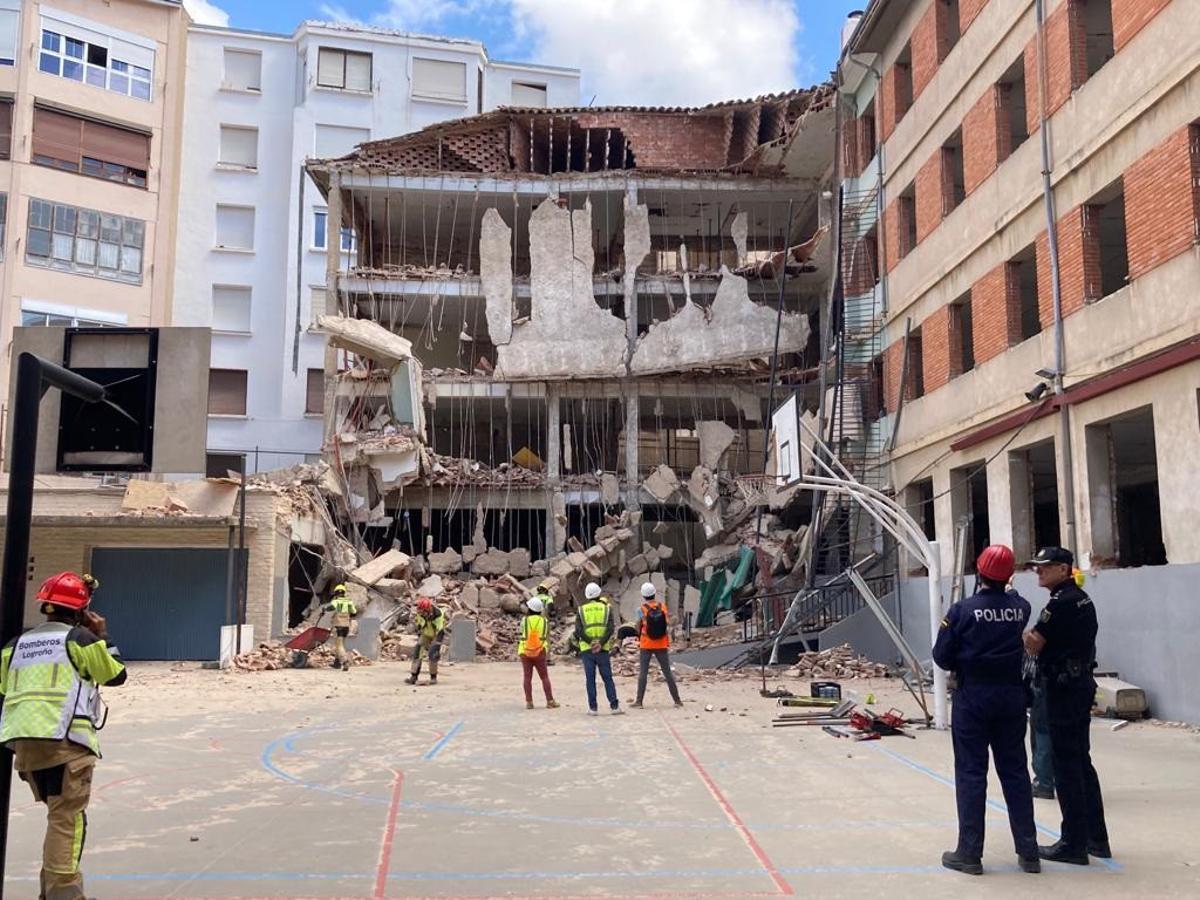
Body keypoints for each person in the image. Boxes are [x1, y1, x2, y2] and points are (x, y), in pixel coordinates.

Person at [0, 571, 127, 900]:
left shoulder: (15, 645)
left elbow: (5, 689)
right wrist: (103, 636)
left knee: (57, 815)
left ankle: (50, 891)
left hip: (25, 746)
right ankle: (64, 895)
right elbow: (115, 675)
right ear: (81, 611)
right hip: (65, 744)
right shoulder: (80, 640)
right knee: (67, 820)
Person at [933, 545, 1040, 876]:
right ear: (1008, 575)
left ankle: (969, 852)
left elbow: (941, 656)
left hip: (974, 696)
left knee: (971, 773)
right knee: (1016, 773)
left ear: (978, 572)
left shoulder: (962, 611)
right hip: (1011, 695)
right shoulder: (1020, 607)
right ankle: (1029, 851)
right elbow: (1016, 606)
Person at [1023, 547, 1111, 865]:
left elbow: (1036, 643)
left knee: (1067, 767)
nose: (1038, 572)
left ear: (1063, 569)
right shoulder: (1080, 598)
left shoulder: (1061, 602)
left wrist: (1023, 637)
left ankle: (1073, 843)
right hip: (1078, 682)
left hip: (1064, 687)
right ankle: (1096, 839)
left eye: (1044, 568)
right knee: (1081, 763)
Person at [632, 582, 683, 710]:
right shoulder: (663, 607)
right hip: (661, 643)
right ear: (654, 593)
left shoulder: (641, 609)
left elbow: (637, 626)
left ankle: (639, 701)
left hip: (646, 644)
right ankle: (677, 700)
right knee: (667, 672)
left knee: (643, 673)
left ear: (643, 595)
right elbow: (668, 623)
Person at [574, 582, 622, 716]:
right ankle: (614, 706)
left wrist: (591, 642)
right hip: (603, 649)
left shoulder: (581, 610)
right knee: (607, 678)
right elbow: (610, 628)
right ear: (599, 593)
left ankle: (593, 708)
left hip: (587, 649)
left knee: (590, 679)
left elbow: (578, 631)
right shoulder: (607, 609)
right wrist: (600, 643)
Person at [518, 597, 558, 710]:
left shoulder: (524, 621)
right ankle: (550, 701)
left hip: (525, 651)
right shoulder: (544, 621)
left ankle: (529, 702)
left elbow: (521, 633)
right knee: (544, 677)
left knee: (527, 677)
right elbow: (546, 634)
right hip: (540, 651)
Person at [405, 597, 446, 685]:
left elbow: (440, 630)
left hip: (436, 634)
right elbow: (419, 625)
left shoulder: (438, 614)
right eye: (420, 611)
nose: (421, 613)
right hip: (426, 633)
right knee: (418, 650)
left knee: (433, 653)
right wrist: (419, 634)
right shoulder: (420, 614)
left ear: (428, 609)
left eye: (423, 611)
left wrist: (437, 643)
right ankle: (414, 676)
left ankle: (433, 677)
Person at [325, 583, 358, 672]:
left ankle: (345, 661)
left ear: (336, 593)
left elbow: (331, 607)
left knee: (339, 645)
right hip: (346, 626)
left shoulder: (336, 601)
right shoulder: (349, 602)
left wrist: (324, 609)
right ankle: (337, 662)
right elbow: (354, 612)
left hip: (338, 626)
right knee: (341, 644)